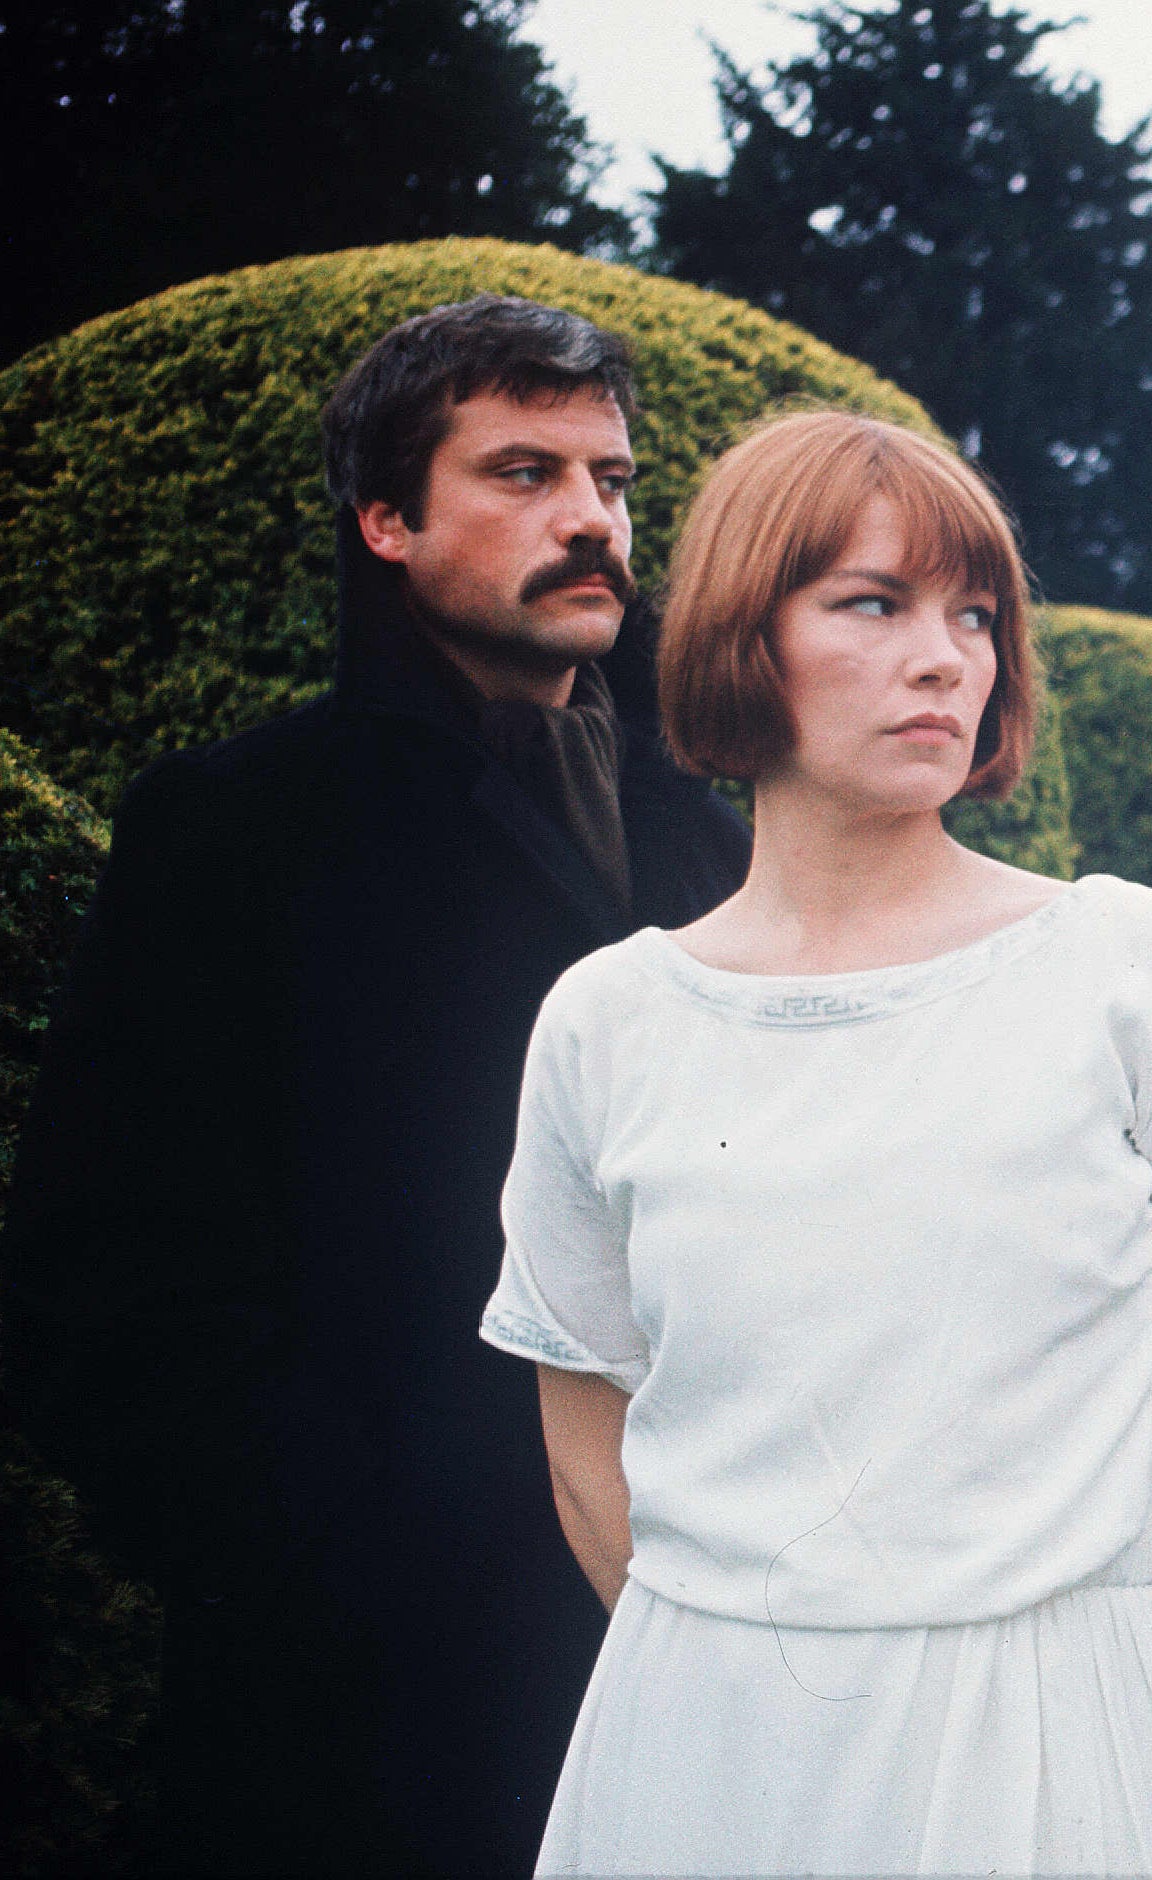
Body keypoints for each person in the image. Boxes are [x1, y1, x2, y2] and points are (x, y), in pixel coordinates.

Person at [479, 409, 1152, 1876]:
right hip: (712, 1756)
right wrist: (738, 1670)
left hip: (1074, 1744)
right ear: (746, 633)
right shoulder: (609, 1024)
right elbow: (582, 1422)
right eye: (874, 602)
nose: (947, 658)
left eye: (974, 615)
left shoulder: (1126, 963)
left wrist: (1132, 1695)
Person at [0, 295, 750, 1871]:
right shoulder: (236, 832)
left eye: (611, 481)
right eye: (523, 473)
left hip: (710, 1654)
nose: (590, 520)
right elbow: (103, 1299)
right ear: (388, 520)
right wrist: (329, 1545)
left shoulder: (723, 833)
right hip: (361, 1714)